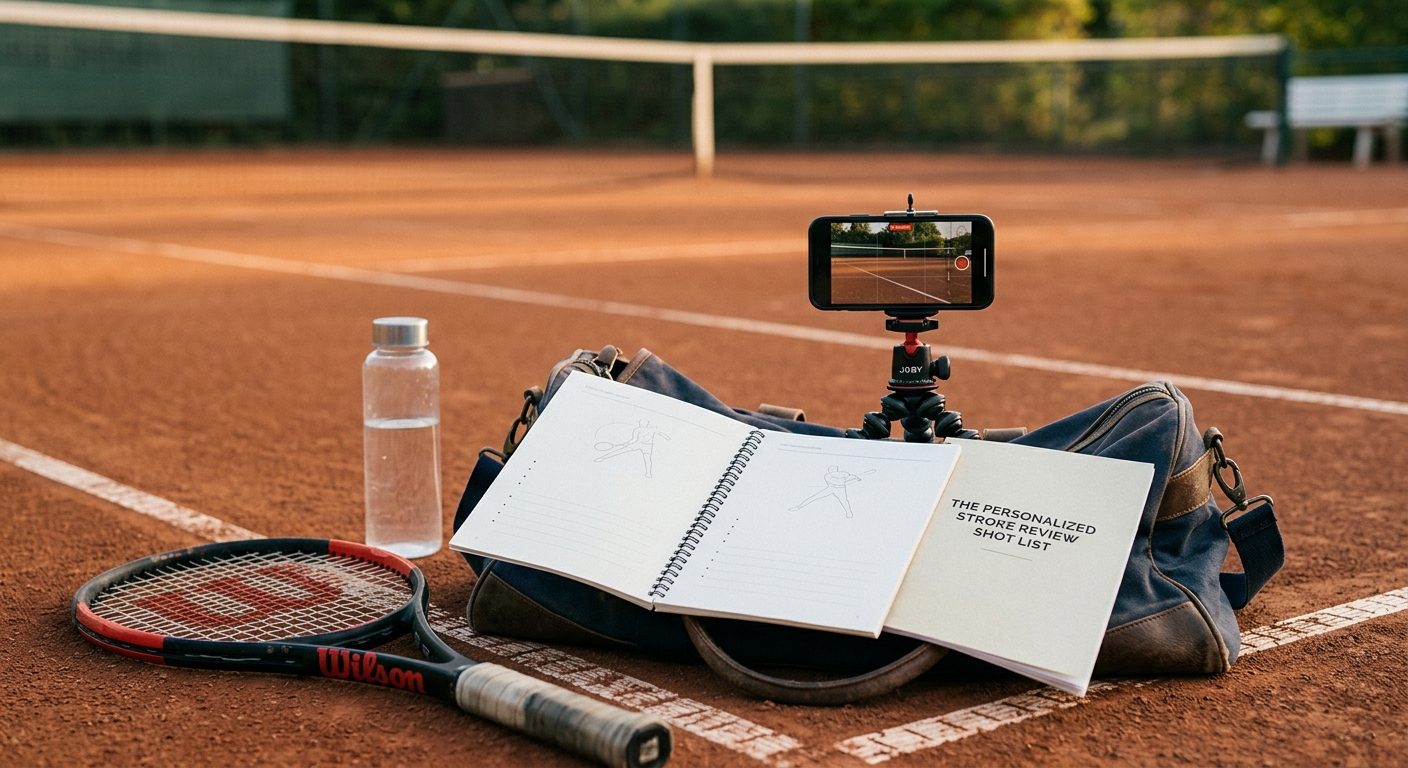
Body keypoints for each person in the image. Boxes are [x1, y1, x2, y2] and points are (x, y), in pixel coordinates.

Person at [594, 419, 671, 478]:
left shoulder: (648, 429)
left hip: (647, 446)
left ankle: (648, 473)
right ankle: (602, 458)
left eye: (643, 424)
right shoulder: (641, 429)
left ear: (646, 424)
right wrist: (666, 437)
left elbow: (633, 440)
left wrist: (626, 444)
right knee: (622, 451)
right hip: (640, 444)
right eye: (641, 423)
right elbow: (634, 440)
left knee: (646, 458)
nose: (642, 424)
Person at [790, 466, 865, 517]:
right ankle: (798, 507)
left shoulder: (843, 474)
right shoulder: (828, 476)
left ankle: (849, 513)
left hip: (841, 489)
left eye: (834, 469)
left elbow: (846, 477)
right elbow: (836, 481)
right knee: (814, 497)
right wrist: (847, 478)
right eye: (831, 470)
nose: (833, 471)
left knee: (844, 501)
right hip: (831, 488)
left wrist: (855, 478)